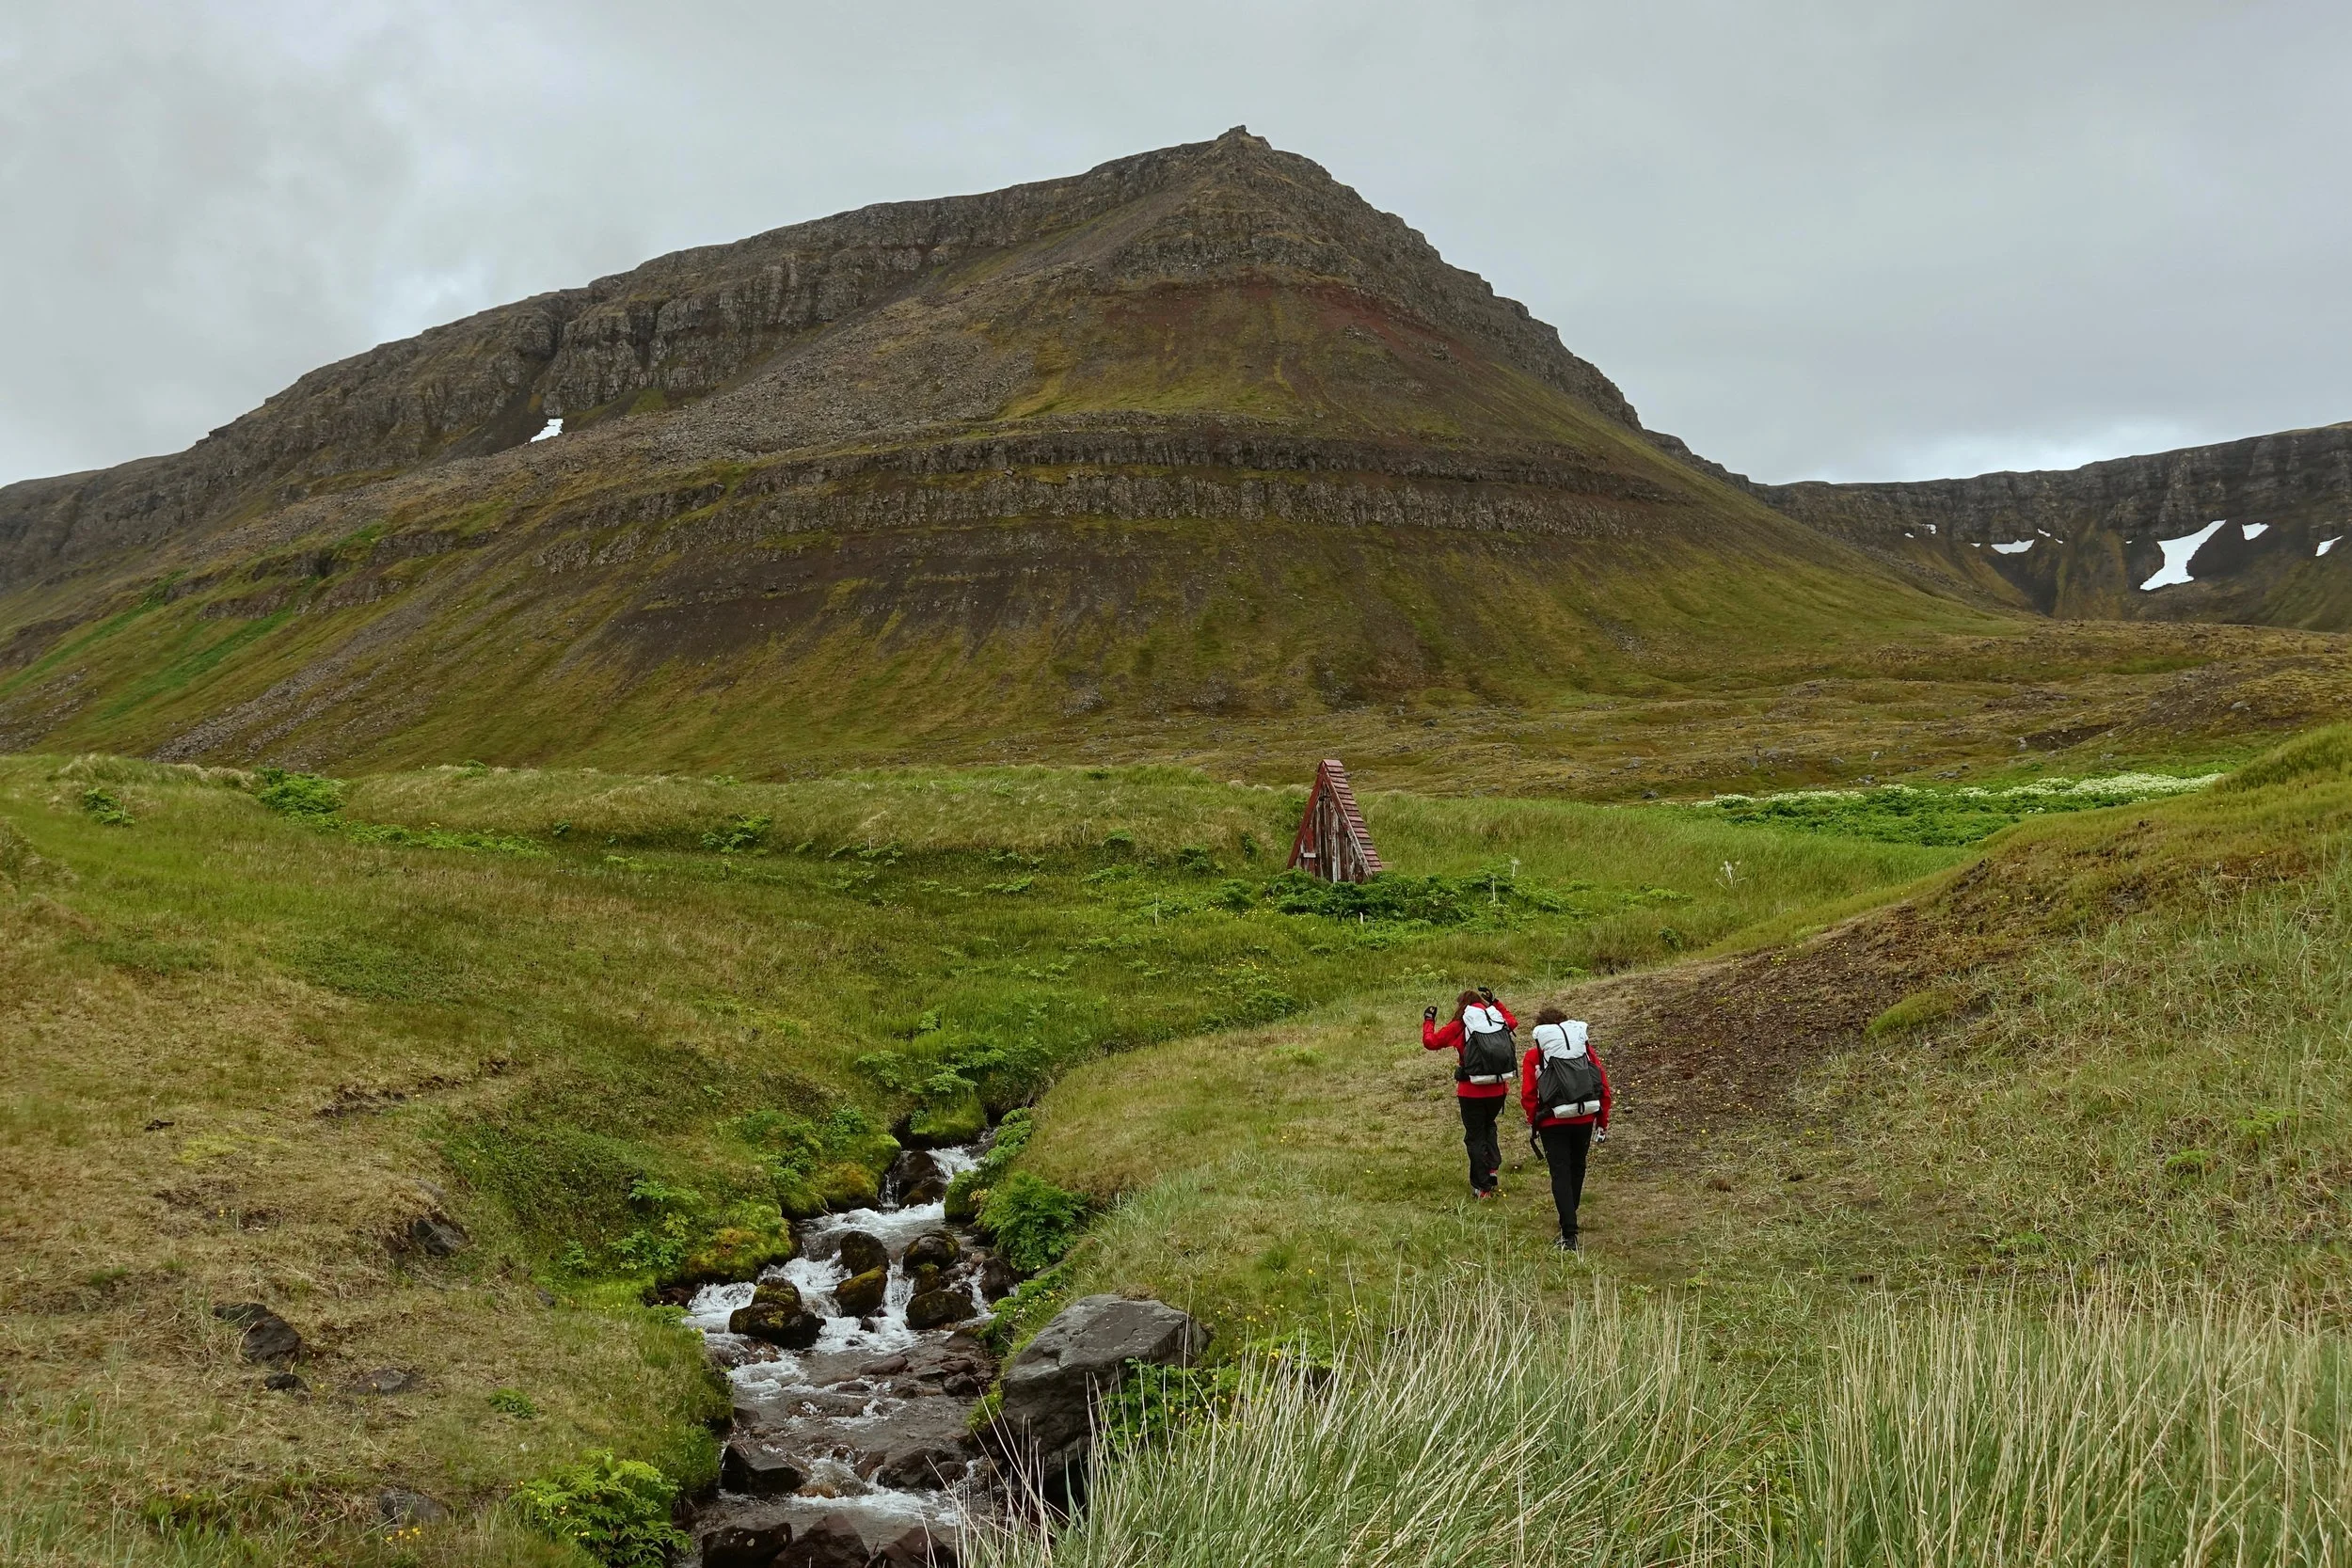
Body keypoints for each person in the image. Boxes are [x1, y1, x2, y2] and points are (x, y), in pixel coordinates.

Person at [1521, 1006, 1611, 1249]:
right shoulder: (1584, 1050)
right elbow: (1601, 1084)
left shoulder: (1535, 1055)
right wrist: (1602, 1121)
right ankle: (1570, 1213)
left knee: (1560, 1172)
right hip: (1584, 1116)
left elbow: (1529, 1094)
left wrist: (1534, 1119)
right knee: (1577, 1167)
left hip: (1553, 1120)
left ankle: (1568, 1232)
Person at [1422, 987, 1518, 1198]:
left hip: (1471, 1090)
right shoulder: (1496, 1019)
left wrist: (1429, 1021)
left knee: (1475, 1137)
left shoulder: (1460, 1025)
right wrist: (1496, 1002)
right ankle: (1492, 1169)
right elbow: (1513, 1022)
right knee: (1489, 1125)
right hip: (1498, 1088)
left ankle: (1482, 1187)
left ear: (1462, 1006)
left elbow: (1431, 1042)